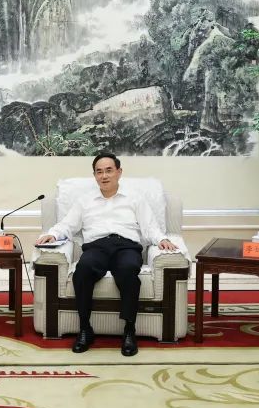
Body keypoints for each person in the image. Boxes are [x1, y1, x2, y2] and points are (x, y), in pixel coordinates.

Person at [37, 152, 178, 356]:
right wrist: (52, 234)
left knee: (128, 270)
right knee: (83, 270)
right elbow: (68, 225)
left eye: (109, 170)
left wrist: (162, 239)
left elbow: (150, 227)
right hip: (97, 247)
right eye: (99, 172)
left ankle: (129, 330)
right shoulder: (85, 201)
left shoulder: (135, 199)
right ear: (95, 175)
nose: (104, 176)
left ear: (119, 172)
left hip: (126, 246)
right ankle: (85, 329)